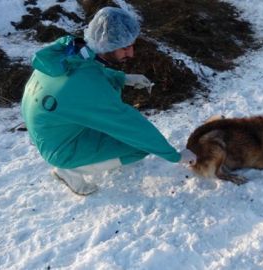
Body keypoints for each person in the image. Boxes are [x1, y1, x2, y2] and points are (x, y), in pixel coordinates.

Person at [21, 7, 196, 195]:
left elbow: (88, 69)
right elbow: (131, 126)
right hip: (60, 147)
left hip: (50, 129)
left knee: (114, 129)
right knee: (138, 146)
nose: (131, 54)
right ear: (108, 44)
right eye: (125, 47)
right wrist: (175, 156)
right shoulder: (91, 90)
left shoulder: (71, 48)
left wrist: (123, 78)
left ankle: (95, 157)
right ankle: (69, 170)